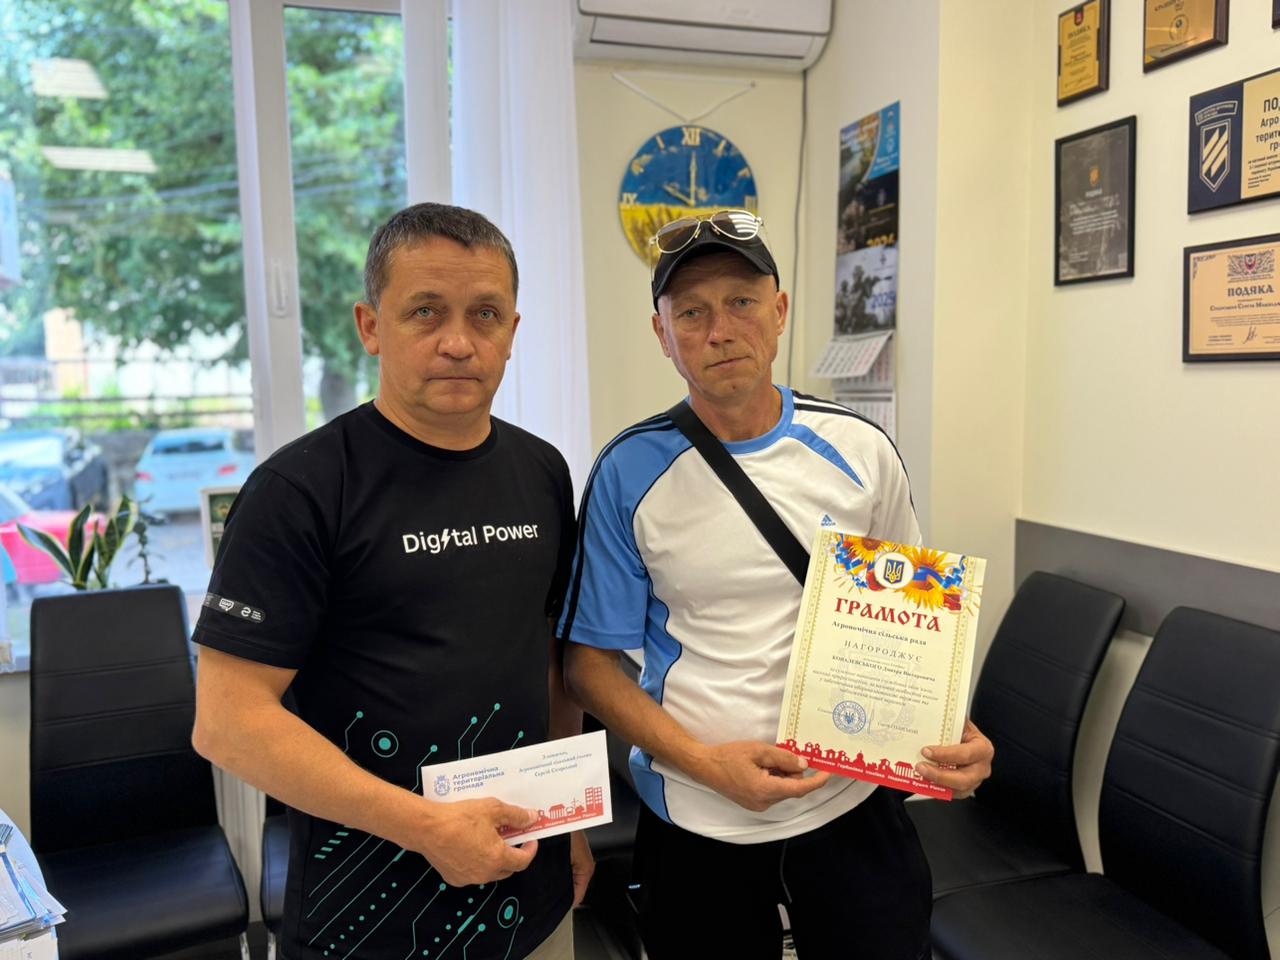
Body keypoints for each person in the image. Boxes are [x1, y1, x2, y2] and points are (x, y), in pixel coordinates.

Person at [558, 210, 993, 959]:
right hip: (698, 824)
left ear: (780, 312)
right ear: (662, 334)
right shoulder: (628, 472)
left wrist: (952, 732)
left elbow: (909, 627)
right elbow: (587, 667)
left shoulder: (860, 449)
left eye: (741, 302)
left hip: (852, 811)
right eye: (691, 313)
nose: (719, 331)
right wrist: (707, 765)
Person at [192, 203, 591, 960]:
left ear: (512, 331)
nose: (458, 342)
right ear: (371, 326)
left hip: (529, 894)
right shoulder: (300, 490)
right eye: (425, 312)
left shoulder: (542, 471)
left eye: (485, 314)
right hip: (369, 917)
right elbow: (227, 720)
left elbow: (549, 655)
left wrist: (566, 819)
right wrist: (427, 828)